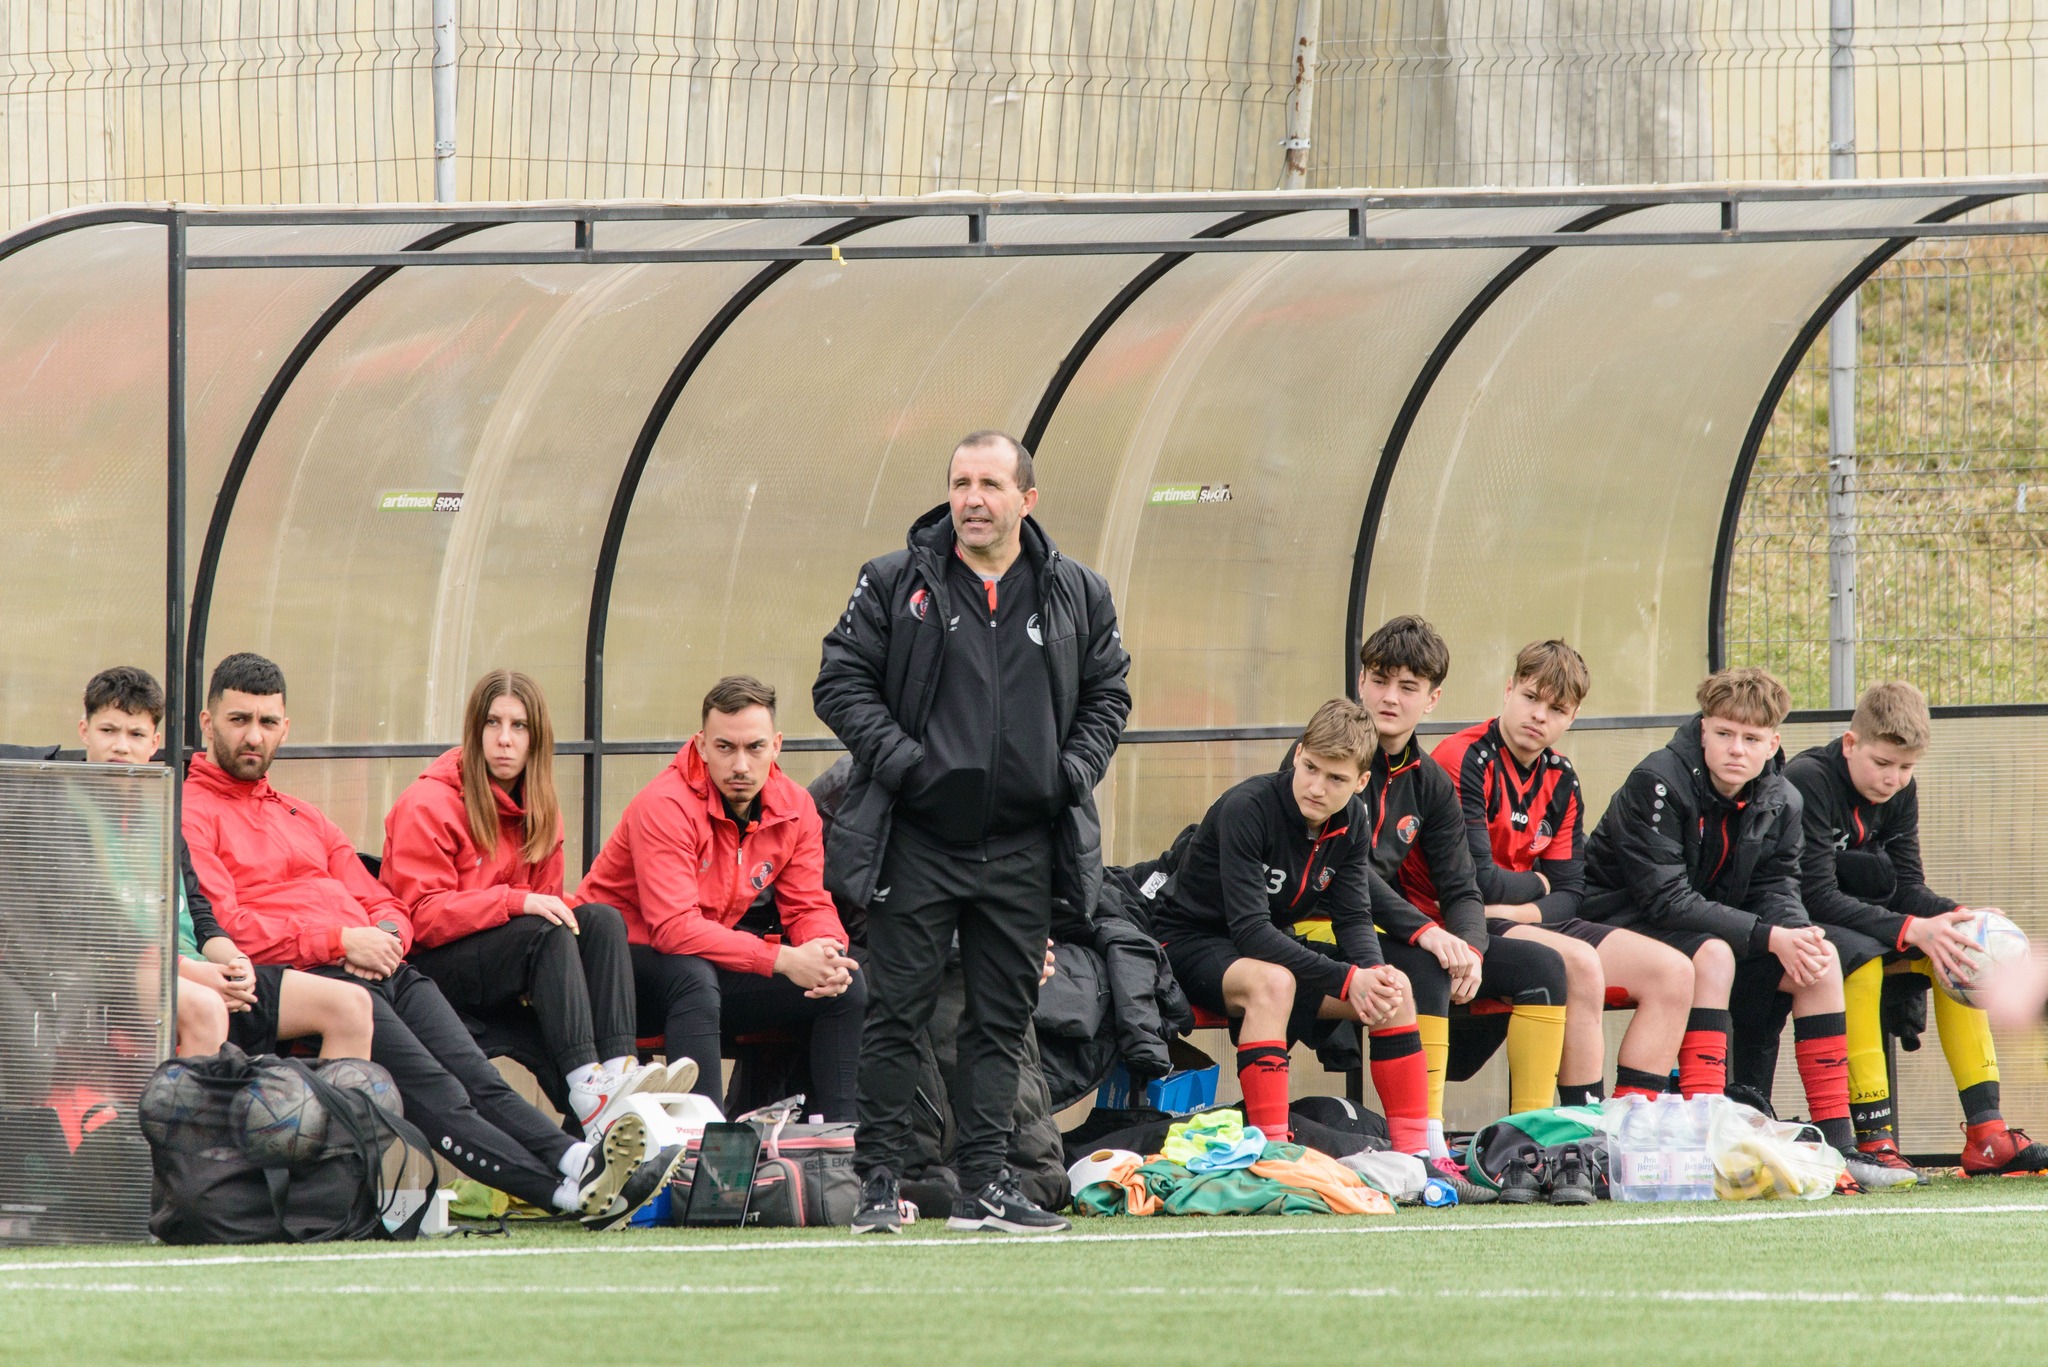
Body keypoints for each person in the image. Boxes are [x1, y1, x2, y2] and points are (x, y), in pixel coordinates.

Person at [182, 652, 679, 1230]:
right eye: (239, 720)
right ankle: (565, 1193)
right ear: (207, 722)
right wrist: (343, 941)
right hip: (313, 977)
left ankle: (579, 1160)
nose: (254, 736)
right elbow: (229, 926)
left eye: (267, 723)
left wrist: (386, 935)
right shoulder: (192, 813)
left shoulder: (303, 815)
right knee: (443, 1095)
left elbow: (384, 900)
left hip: (382, 965)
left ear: (286, 728)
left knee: (480, 1078)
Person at [814, 429, 1131, 1235]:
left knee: (999, 1021)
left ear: (1027, 498)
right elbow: (839, 681)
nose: (972, 499)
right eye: (960, 482)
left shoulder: (1078, 592)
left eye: (990, 484)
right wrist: (908, 765)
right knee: (896, 1013)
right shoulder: (895, 581)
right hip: (918, 840)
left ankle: (987, 1187)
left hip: (1025, 844)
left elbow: (1109, 693)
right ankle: (879, 1182)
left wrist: (1070, 772)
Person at [1578, 666, 1912, 1191]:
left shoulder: (1782, 799)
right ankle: (1709, 1134)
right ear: (1703, 728)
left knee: (1818, 966)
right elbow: (1665, 899)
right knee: (1715, 954)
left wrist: (1797, 934)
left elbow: (1778, 885)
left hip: (1714, 926)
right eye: (1724, 734)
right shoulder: (1657, 781)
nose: (1737, 749)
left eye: (1751, 738)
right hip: (1621, 920)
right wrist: (1769, 935)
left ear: (1772, 743)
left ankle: (1839, 1145)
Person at [1774, 680, 2048, 1178]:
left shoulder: (1902, 791)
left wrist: (1959, 916)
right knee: (1858, 958)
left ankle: (1987, 1133)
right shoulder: (1807, 779)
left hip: (1867, 921)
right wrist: (1912, 929)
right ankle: (1873, 1138)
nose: (1893, 780)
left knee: (1962, 948)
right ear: (1851, 744)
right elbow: (1813, 896)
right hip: (1795, 925)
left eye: (1906, 768)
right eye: (1882, 764)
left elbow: (1907, 886)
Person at [380, 669, 667, 1138]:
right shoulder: (428, 802)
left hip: (506, 962)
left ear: (537, 739)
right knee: (545, 930)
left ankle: (617, 1072)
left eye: (519, 727)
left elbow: (549, 903)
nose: (504, 740)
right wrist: (514, 901)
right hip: (432, 971)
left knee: (600, 921)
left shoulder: (540, 808)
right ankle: (586, 1086)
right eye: (493, 724)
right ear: (475, 733)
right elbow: (420, 917)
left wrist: (537, 913)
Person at [571, 675, 863, 1124]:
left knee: (843, 988)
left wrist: (825, 950)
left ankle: (840, 1154)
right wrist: (783, 958)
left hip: (704, 961)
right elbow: (672, 929)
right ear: (702, 745)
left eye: (755, 748)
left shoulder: (794, 807)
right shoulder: (664, 805)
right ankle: (704, 1151)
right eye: (725, 748)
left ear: (777, 745)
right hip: (620, 972)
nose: (740, 765)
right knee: (692, 977)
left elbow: (809, 905)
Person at [1422, 641, 1694, 1113]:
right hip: (1454, 917)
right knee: (1581, 962)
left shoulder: (1561, 776)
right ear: (1508, 691)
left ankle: (1627, 1124)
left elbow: (1571, 892)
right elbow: (1477, 882)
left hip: (1514, 916)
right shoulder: (1462, 757)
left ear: (1573, 716)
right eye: (1530, 698)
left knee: (1675, 972)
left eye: (1556, 708)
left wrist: (1523, 903)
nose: (1538, 716)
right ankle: (1582, 1125)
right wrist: (1539, 885)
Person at [1154, 700, 1428, 1152]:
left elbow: (1354, 916)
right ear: (1298, 753)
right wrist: (1346, 979)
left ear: (1361, 782)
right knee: (1274, 984)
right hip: (1187, 940)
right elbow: (1251, 933)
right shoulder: (1249, 806)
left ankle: (1416, 1156)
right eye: (1310, 767)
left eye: (1336, 778)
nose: (1317, 787)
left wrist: (1371, 976)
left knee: (1395, 989)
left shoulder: (1353, 820)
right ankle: (1272, 1153)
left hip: (1264, 946)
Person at [1353, 616, 1568, 1188]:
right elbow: (1344, 875)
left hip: (1395, 929)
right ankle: (1425, 1145)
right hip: (1325, 926)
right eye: (1380, 680)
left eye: (1408, 687)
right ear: (1360, 681)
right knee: (1420, 962)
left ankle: (1531, 1147)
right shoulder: (1330, 756)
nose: (1390, 698)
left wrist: (1470, 945)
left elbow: (1462, 887)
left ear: (1432, 698)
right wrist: (1428, 934)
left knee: (1544, 967)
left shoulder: (1428, 780)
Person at [75, 666, 373, 1061]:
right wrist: (190, 970)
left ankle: (338, 1121)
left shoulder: (163, 814)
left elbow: (199, 912)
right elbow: (97, 928)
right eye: (108, 731)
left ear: (155, 743)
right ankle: (198, 1118)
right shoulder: (63, 811)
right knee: (206, 1005)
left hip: (195, 967)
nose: (121, 747)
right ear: (84, 731)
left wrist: (234, 961)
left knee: (351, 1005)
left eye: (135, 735)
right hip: (121, 970)